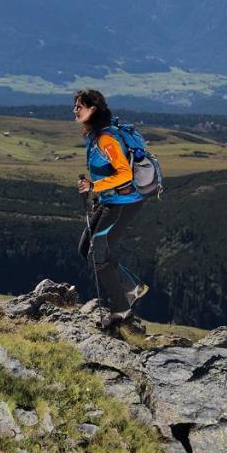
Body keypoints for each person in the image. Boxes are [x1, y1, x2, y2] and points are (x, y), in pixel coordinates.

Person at [74, 89, 149, 329]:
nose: (75, 110)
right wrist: (97, 190)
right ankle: (131, 285)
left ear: (93, 109)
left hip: (124, 204)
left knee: (98, 253)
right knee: (86, 248)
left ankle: (121, 311)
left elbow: (125, 173)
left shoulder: (106, 139)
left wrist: (95, 185)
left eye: (80, 106)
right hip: (109, 201)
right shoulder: (94, 136)